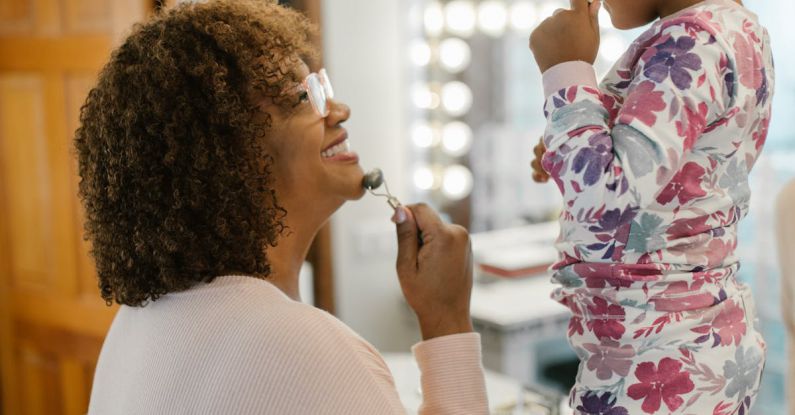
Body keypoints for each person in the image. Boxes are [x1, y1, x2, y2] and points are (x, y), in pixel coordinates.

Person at [76, 1, 487, 413]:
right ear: (230, 150)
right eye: (302, 97)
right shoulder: (300, 348)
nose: (339, 111)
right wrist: (447, 319)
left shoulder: (136, 323)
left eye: (320, 87)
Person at [528, 0, 773, 413]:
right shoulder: (736, 29)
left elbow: (606, 200)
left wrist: (565, 73)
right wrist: (573, 134)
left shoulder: (689, 44)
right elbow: (675, 161)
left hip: (655, 357)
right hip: (702, 337)